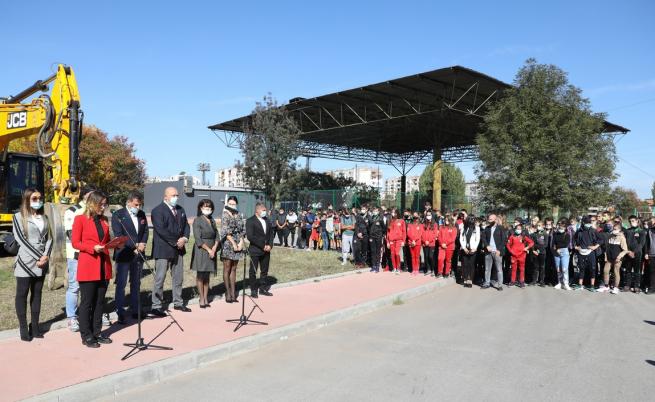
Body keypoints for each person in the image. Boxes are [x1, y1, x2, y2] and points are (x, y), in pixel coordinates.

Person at [72, 191, 119, 348]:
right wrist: (92, 248)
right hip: (88, 265)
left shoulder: (105, 220)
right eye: (101, 204)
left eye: (105, 204)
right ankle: (87, 335)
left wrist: (115, 243)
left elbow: (105, 240)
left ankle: (97, 333)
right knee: (87, 302)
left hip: (103, 266)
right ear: (92, 203)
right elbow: (75, 243)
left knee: (100, 302)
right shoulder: (80, 219)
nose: (104, 207)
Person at [13, 188, 52, 341]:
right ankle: (23, 327)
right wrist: (38, 256)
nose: (38, 201)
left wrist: (45, 256)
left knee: (37, 294)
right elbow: (21, 239)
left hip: (42, 261)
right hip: (26, 260)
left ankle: (34, 326)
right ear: (27, 200)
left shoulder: (45, 217)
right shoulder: (18, 216)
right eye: (34, 198)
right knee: (22, 294)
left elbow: (50, 238)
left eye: (40, 198)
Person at [151, 187, 191, 316]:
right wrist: (176, 241)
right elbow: (161, 230)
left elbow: (186, 225)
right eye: (173, 195)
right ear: (165, 197)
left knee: (178, 277)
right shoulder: (157, 211)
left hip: (178, 250)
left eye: (177, 195)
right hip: (163, 249)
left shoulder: (180, 209)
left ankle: (178, 302)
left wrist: (184, 238)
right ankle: (156, 305)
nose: (176, 197)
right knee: (160, 278)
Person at [111, 191, 148, 323]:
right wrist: (134, 245)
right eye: (136, 205)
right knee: (121, 284)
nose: (138, 208)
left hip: (139, 254)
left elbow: (145, 231)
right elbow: (119, 235)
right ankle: (120, 311)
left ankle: (135, 309)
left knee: (136, 283)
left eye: (140, 205)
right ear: (129, 202)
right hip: (124, 254)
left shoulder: (142, 215)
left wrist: (142, 243)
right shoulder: (118, 215)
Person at [63, 186, 95, 332]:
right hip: (76, 255)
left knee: (91, 286)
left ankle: (90, 313)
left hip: (93, 255)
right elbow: (71, 234)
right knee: (74, 286)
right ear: (84, 195)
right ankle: (72, 317)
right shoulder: (72, 211)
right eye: (90, 195)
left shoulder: (95, 211)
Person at [191, 199, 219, 307]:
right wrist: (209, 250)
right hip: (202, 250)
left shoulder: (212, 220)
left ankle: (206, 297)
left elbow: (217, 235)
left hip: (212, 249)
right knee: (201, 275)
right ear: (200, 208)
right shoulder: (197, 220)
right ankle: (201, 298)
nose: (207, 209)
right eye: (205, 207)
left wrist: (215, 247)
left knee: (207, 275)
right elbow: (198, 239)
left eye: (209, 208)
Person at [245, 202, 274, 297]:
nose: (265, 212)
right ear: (257, 211)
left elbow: (270, 234)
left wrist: (270, 245)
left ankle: (262, 288)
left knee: (264, 270)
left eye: (265, 210)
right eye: (263, 210)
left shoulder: (267, 220)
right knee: (253, 271)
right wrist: (263, 246)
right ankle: (253, 290)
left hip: (266, 251)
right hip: (255, 250)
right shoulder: (250, 221)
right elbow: (250, 236)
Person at [220, 196, 244, 303]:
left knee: (234, 268)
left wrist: (241, 243)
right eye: (230, 203)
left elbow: (242, 230)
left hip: (238, 243)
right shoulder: (225, 215)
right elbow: (226, 231)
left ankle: (234, 293)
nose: (232, 205)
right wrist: (234, 243)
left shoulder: (239, 215)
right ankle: (228, 293)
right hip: (228, 244)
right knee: (227, 268)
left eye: (234, 204)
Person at [598, 222, 628, 294]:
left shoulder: (622, 237)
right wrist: (606, 257)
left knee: (616, 272)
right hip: (609, 258)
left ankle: (616, 287)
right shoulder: (610, 236)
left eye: (615, 229)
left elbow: (625, 250)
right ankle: (606, 286)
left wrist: (619, 257)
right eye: (613, 229)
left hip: (617, 259)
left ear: (620, 230)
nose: (614, 230)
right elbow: (607, 248)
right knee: (605, 271)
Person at [574, 216, 601, 291]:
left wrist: (595, 247)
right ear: (583, 223)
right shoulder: (579, 231)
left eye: (589, 223)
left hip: (590, 252)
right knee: (581, 268)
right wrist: (576, 247)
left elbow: (601, 240)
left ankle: (592, 286)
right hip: (581, 252)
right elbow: (574, 240)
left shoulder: (593, 230)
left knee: (592, 268)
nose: (588, 224)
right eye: (587, 223)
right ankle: (580, 285)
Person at [481, 214, 507, 291]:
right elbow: (483, 238)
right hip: (488, 252)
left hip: (497, 252)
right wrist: (486, 246)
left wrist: (499, 250)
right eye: (489, 219)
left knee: (499, 269)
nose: (489, 221)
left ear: (495, 220)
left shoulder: (501, 228)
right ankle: (487, 283)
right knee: (487, 269)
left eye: (491, 219)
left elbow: (504, 240)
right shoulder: (487, 228)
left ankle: (499, 285)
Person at [506, 224, 534, 288]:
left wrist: (526, 248)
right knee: (513, 269)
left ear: (522, 230)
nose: (518, 230)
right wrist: (511, 251)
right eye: (517, 229)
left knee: (522, 269)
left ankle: (521, 282)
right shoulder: (512, 236)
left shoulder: (523, 237)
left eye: (519, 229)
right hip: (514, 255)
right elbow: (508, 245)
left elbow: (532, 242)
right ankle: (512, 281)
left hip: (522, 255)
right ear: (515, 229)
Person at [624, 215, 646, 293]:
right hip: (628, 253)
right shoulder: (627, 231)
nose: (631, 222)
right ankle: (627, 285)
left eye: (633, 221)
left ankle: (636, 286)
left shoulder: (641, 231)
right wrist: (628, 251)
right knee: (628, 270)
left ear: (637, 221)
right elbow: (625, 242)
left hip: (637, 254)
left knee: (637, 271)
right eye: (630, 221)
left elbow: (641, 244)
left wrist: (634, 252)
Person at [459, 216, 480, 288]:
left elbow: (478, 239)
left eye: (473, 220)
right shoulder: (463, 227)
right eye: (470, 220)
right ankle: (465, 279)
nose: (471, 222)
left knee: (471, 265)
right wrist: (464, 248)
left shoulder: (477, 228)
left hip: (473, 249)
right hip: (465, 249)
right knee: (465, 265)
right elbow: (461, 239)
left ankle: (470, 280)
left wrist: (475, 248)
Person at [552, 218, 572, 290]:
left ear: (565, 227)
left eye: (563, 226)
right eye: (560, 225)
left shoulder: (567, 234)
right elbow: (553, 243)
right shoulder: (555, 234)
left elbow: (565, 244)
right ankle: (559, 283)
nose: (561, 227)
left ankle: (566, 283)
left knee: (564, 268)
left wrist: (557, 247)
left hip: (564, 252)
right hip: (556, 253)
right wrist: (556, 249)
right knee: (558, 269)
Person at [387, 208, 406, 275]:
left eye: (394, 212)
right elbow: (388, 232)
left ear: (397, 213)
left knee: (397, 253)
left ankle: (398, 268)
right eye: (392, 212)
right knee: (392, 254)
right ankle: (394, 268)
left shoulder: (401, 221)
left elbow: (404, 232)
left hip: (398, 240)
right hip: (391, 240)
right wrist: (387, 242)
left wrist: (403, 241)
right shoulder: (390, 220)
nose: (393, 214)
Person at [368, 206, 386, 273]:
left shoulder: (380, 219)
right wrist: (370, 236)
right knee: (373, 251)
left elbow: (383, 228)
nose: (374, 212)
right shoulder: (371, 218)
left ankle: (377, 266)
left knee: (378, 252)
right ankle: (373, 266)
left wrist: (381, 234)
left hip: (378, 237)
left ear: (378, 212)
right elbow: (369, 228)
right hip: (372, 237)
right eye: (373, 211)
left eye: (376, 211)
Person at [529, 222, 548, 287]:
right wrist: (533, 250)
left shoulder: (545, 234)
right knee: (535, 267)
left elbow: (545, 244)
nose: (538, 227)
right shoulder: (534, 234)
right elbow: (532, 243)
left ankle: (542, 281)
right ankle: (534, 280)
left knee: (542, 267)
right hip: (535, 253)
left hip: (542, 253)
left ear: (543, 226)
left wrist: (539, 250)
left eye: (539, 225)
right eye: (537, 226)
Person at [421, 211, 438, 277]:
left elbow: (435, 234)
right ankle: (427, 269)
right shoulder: (423, 224)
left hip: (431, 244)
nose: (428, 216)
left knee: (430, 257)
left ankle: (432, 270)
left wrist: (429, 241)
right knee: (426, 257)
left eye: (429, 215)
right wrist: (424, 241)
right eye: (427, 215)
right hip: (425, 243)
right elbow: (421, 233)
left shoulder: (435, 224)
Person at [644, 216, 655, 294]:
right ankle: (652, 288)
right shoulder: (649, 231)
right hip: (652, 254)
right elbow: (646, 243)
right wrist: (646, 253)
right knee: (652, 272)